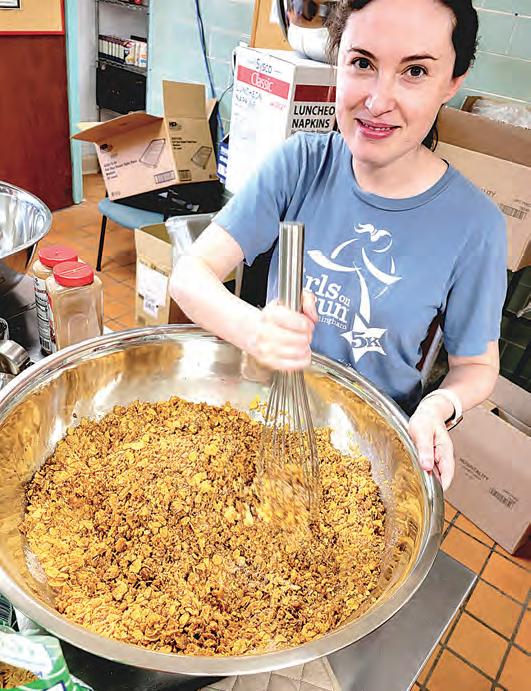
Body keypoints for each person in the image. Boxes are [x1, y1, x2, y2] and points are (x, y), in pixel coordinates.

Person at [170, 0, 507, 491]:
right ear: (338, 61)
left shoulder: (475, 226)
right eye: (362, 63)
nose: (378, 100)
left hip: (366, 452)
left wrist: (439, 405)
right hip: (266, 418)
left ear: (453, 81)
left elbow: (476, 366)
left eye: (415, 71)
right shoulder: (301, 164)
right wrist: (254, 329)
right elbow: (189, 276)